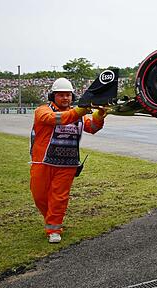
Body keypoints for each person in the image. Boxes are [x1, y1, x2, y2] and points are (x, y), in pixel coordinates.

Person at [30, 78, 106, 243]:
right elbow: (55, 119)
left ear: (72, 96)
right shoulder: (42, 110)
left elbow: (92, 127)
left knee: (59, 197)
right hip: (42, 162)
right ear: (53, 96)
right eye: (61, 95)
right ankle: (52, 218)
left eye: (68, 95)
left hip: (67, 164)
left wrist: (100, 114)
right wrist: (79, 111)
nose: (65, 98)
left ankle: (54, 229)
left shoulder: (77, 113)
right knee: (39, 196)